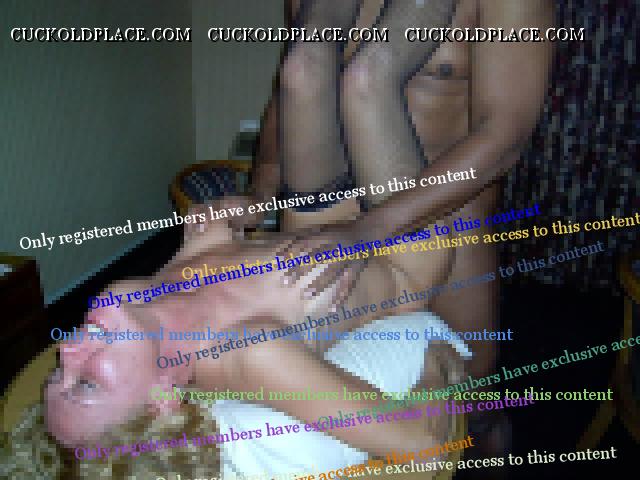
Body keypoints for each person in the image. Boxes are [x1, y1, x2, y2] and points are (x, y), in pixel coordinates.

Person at [46, 220, 470, 478]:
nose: (66, 352)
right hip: (405, 255)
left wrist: (222, 222)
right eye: (86, 384)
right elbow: (420, 449)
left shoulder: (125, 297)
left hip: (321, 216)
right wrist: (434, 363)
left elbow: (220, 246)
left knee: (303, 91)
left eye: (58, 374)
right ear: (161, 399)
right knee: (368, 94)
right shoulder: (251, 354)